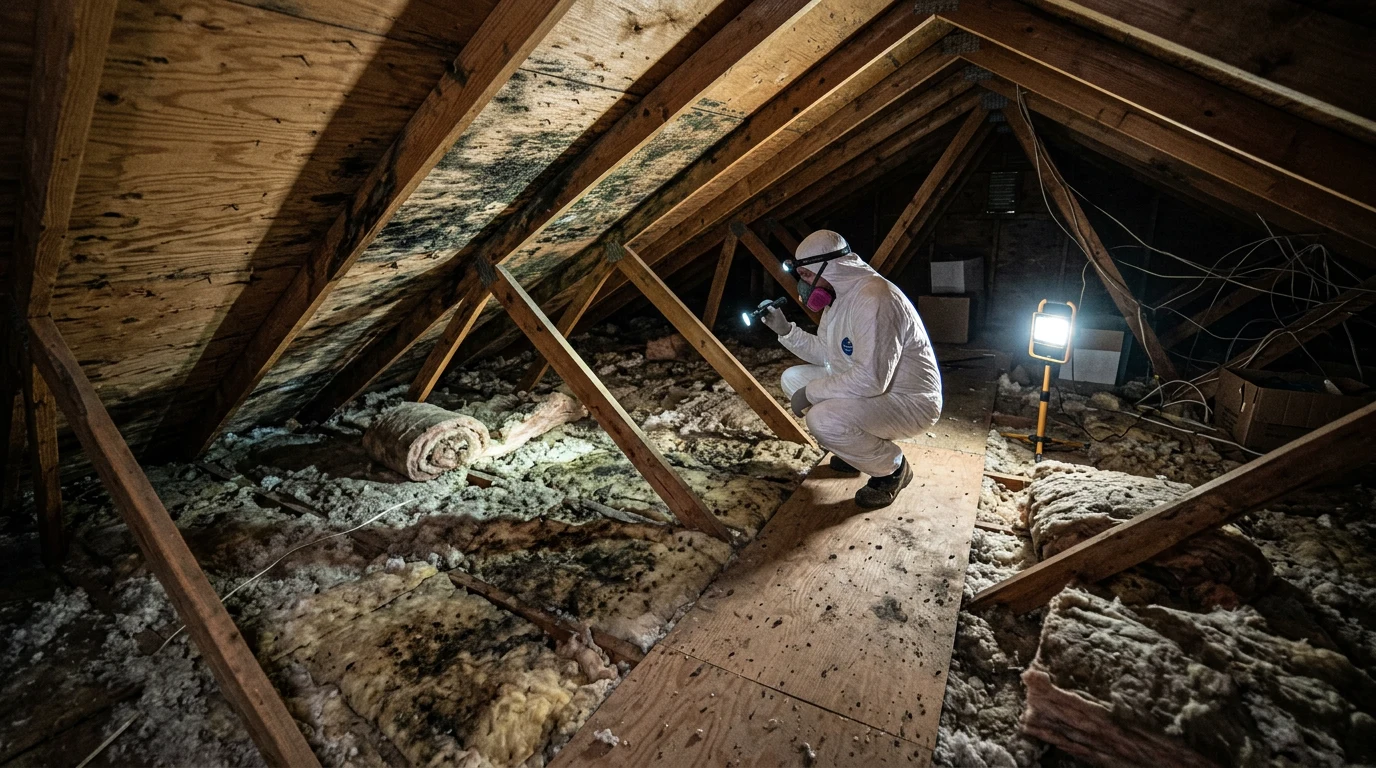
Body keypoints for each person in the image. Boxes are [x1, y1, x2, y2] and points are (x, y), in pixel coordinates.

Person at [761, 230, 942, 508]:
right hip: (878, 389)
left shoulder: (874, 298)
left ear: (830, 267)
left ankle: (892, 469)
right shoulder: (838, 298)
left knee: (822, 419)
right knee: (793, 379)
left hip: (910, 400)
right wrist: (785, 331)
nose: (804, 284)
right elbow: (827, 353)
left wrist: (812, 393)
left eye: (807, 276)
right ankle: (857, 449)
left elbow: (871, 380)